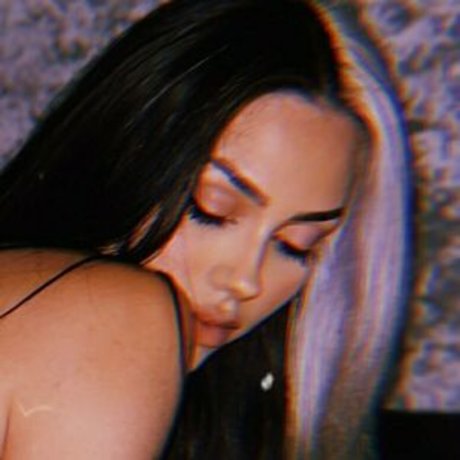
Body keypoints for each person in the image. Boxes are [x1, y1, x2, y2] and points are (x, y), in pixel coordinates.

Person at [0, 0, 410, 458]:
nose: (245, 281)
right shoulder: (112, 316)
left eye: (295, 246)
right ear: (124, 154)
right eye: (210, 211)